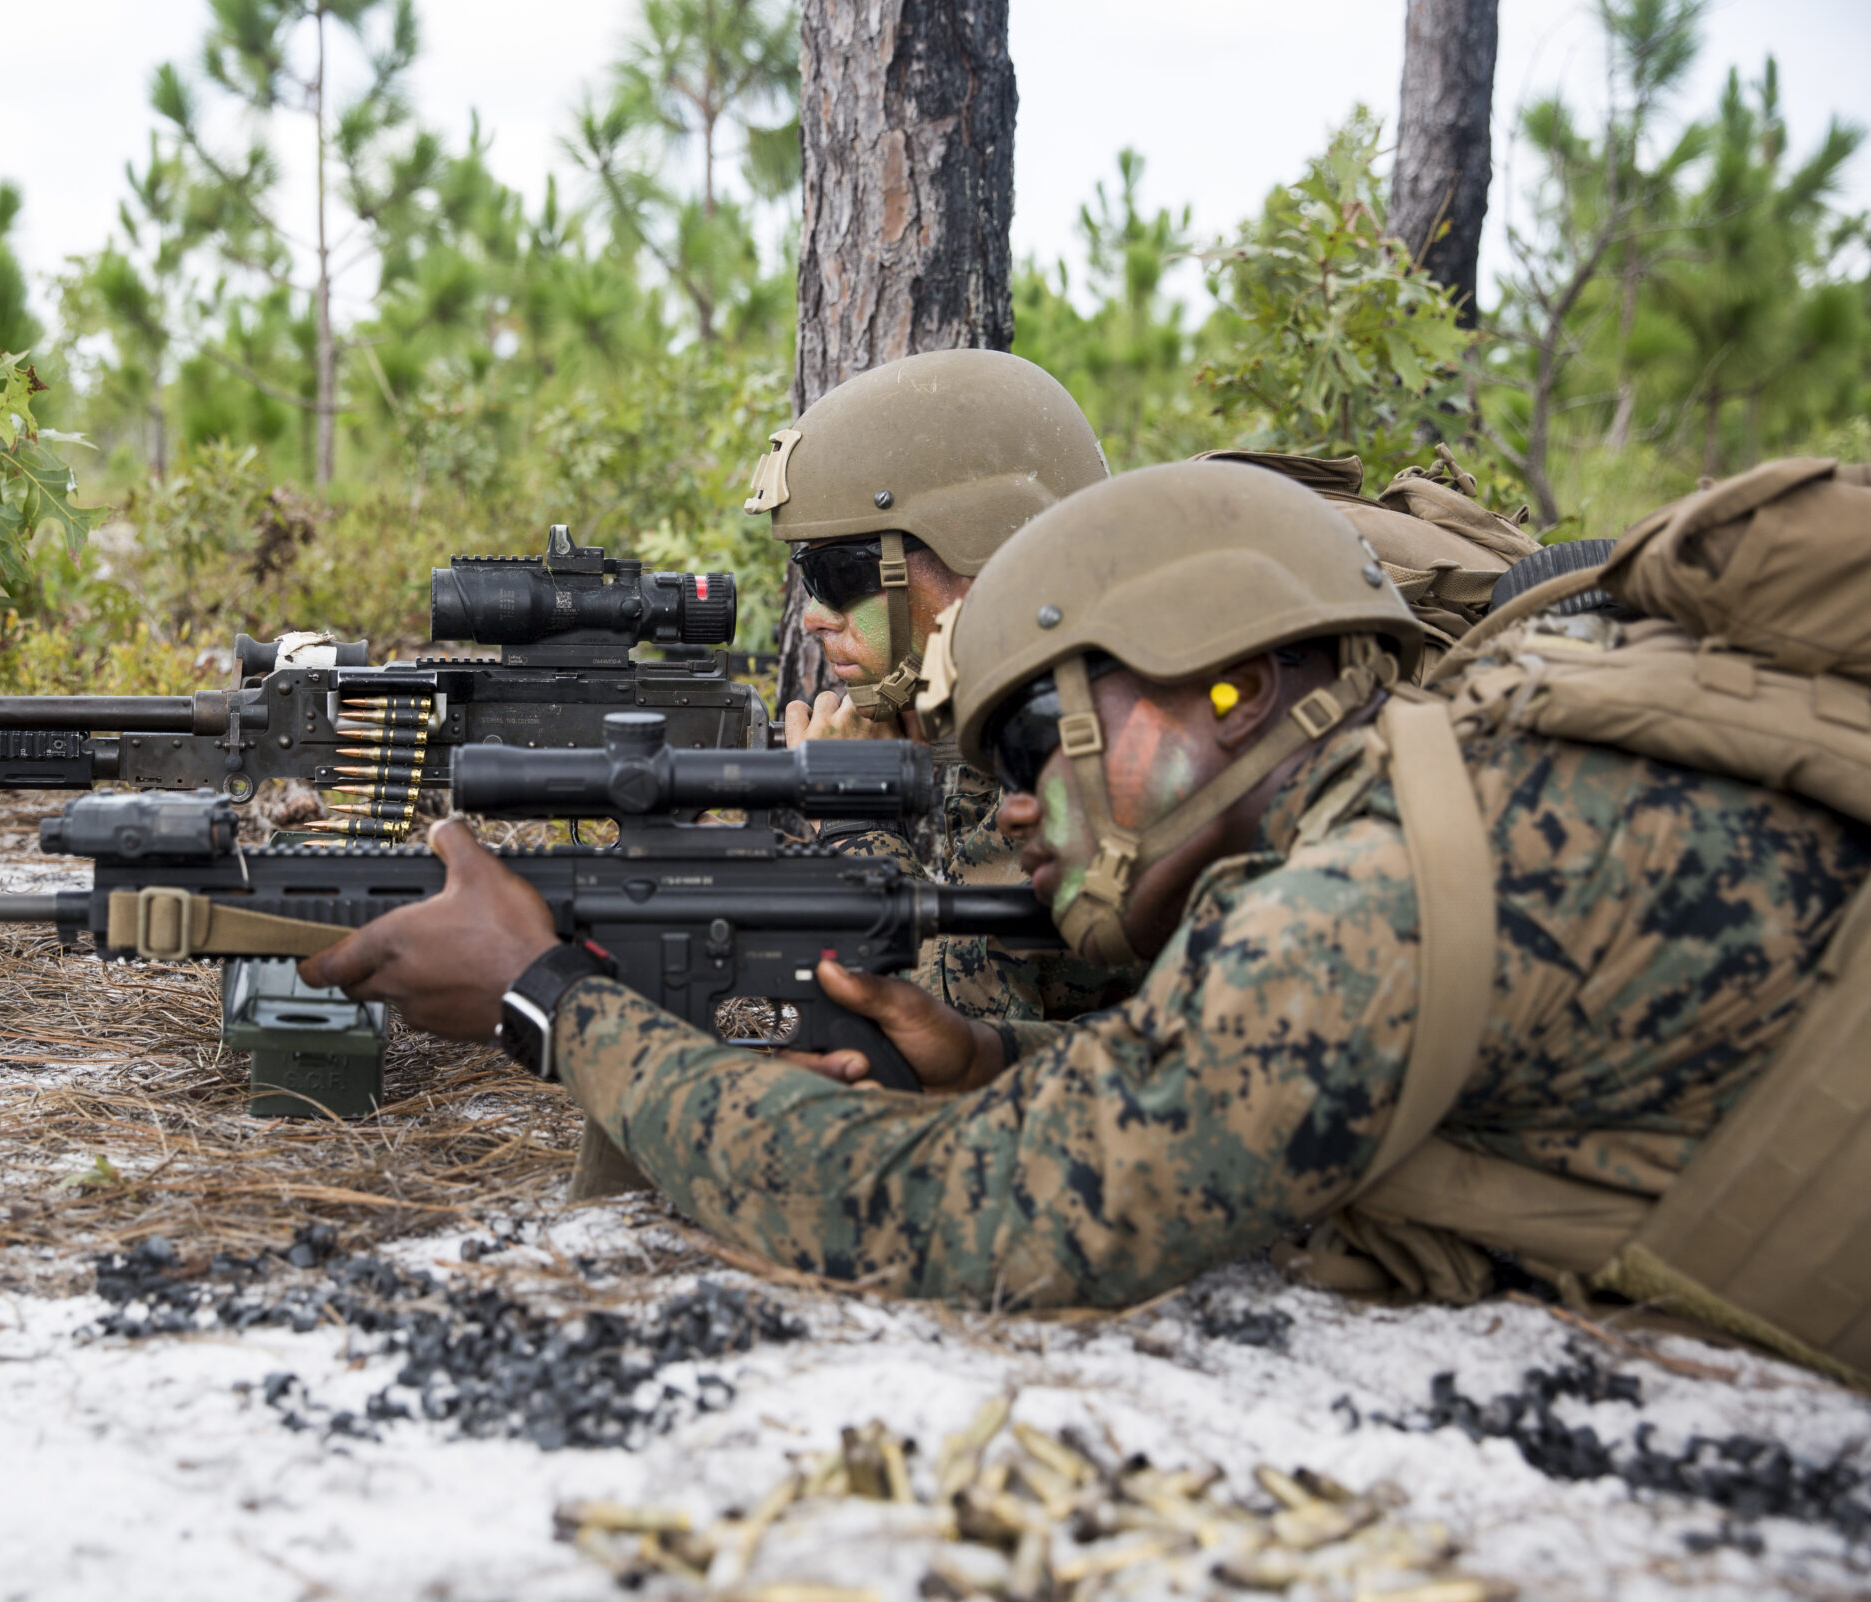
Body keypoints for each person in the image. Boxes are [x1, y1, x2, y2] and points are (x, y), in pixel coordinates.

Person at [301, 460, 1868, 1321]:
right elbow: (1256, 1086)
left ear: (1227, 682)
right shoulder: (1428, 803)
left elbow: (962, 1218)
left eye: (1044, 735)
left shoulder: (1356, 904)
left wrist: (549, 996)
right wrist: (998, 1065)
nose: (1022, 813)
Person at [743, 347, 1130, 1023]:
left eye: (841, 577)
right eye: (810, 580)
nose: (812, 618)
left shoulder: (1087, 730)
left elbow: (956, 1031)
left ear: (979, 554)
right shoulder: (995, 697)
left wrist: (854, 828)